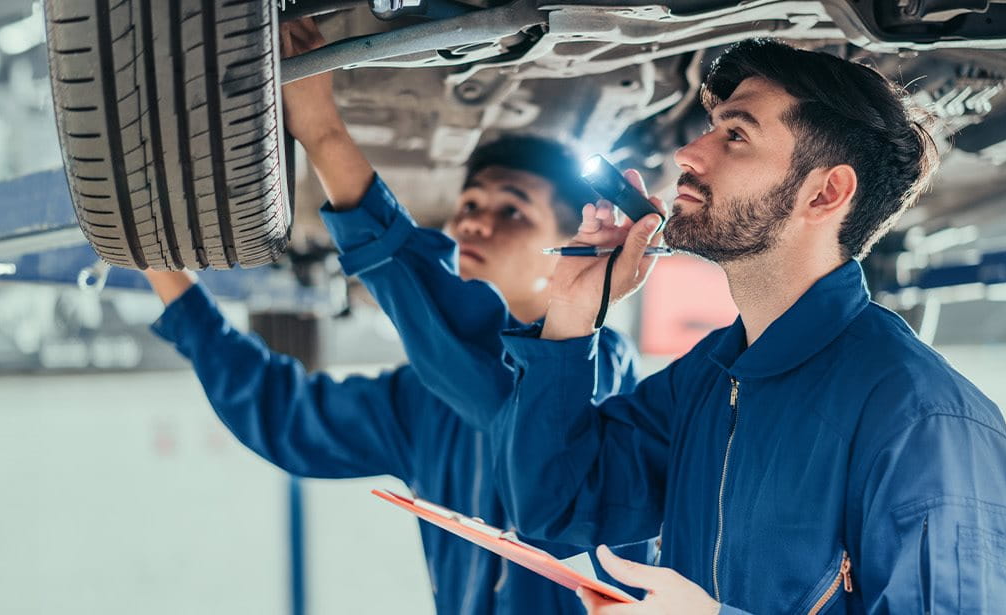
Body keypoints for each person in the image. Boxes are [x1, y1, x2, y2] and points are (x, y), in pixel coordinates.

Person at [492, 39, 1006, 614]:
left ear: (825, 193)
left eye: (735, 135)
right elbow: (560, 506)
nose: (687, 154)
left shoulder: (925, 418)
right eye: (712, 128)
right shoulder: (710, 378)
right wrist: (572, 317)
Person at [136, 18, 644, 615]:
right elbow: (286, 419)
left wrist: (325, 133)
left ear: (575, 244)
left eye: (514, 210)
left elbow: (494, 376)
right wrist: (157, 260)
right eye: (472, 204)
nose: (476, 221)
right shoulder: (422, 397)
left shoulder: (601, 374)